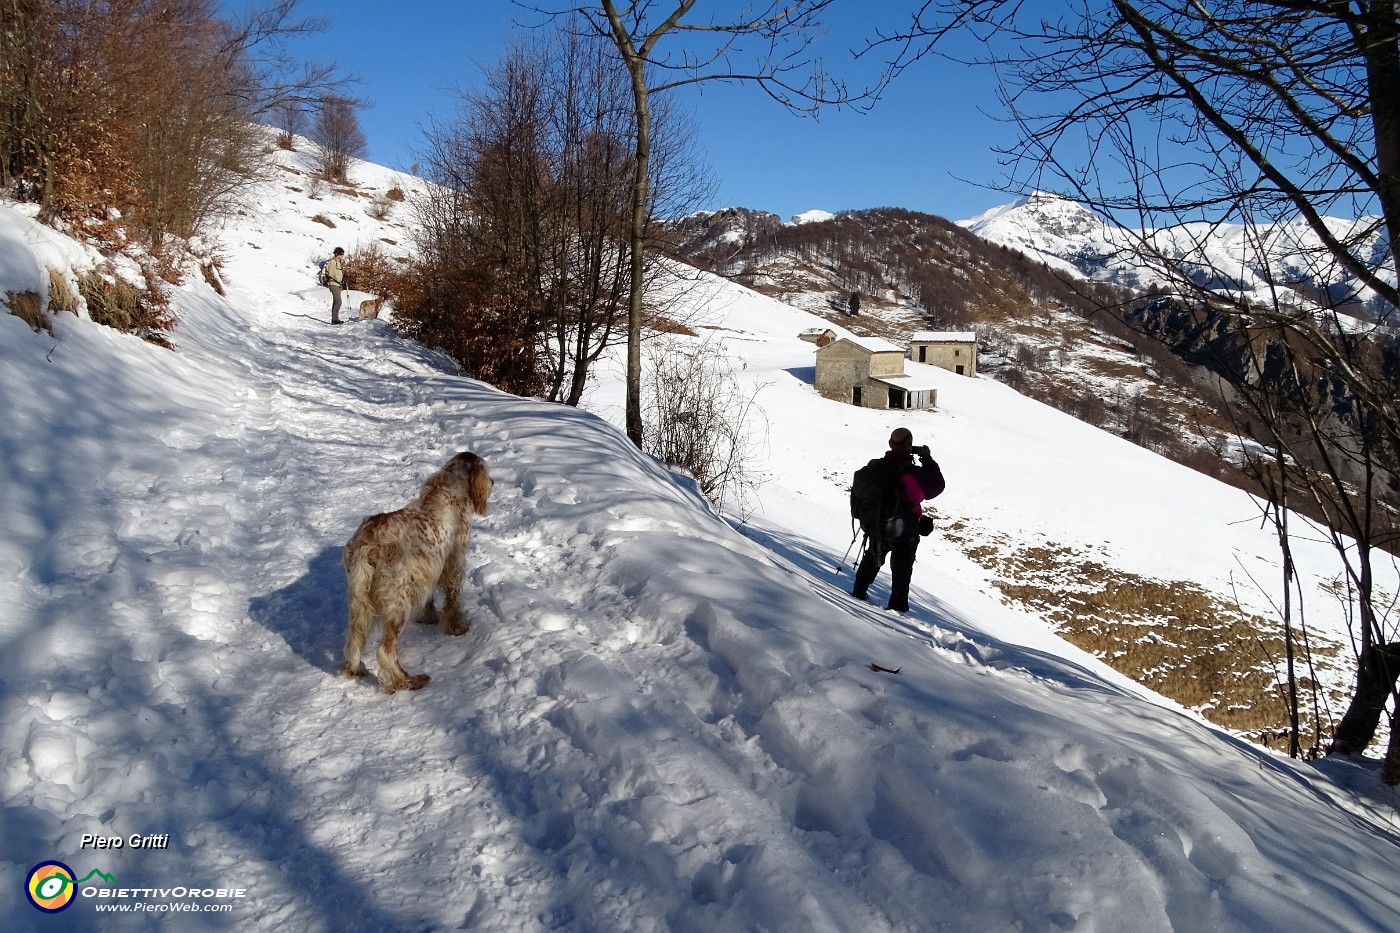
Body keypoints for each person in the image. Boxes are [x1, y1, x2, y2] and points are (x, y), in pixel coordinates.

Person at [851, 427, 945, 612]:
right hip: (905, 531)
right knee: (902, 570)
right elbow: (937, 486)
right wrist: (927, 459)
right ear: (909, 446)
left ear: (890, 445)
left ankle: (858, 592)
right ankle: (898, 608)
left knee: (872, 556)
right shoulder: (912, 475)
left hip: (877, 525)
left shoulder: (876, 468)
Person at [325, 247, 346, 324]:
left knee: (336, 301)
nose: (342, 256)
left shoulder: (338, 262)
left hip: (337, 283)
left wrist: (343, 278)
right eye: (341, 254)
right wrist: (341, 280)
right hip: (333, 283)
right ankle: (334, 320)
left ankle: (335, 319)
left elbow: (338, 273)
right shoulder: (332, 262)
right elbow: (332, 273)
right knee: (338, 301)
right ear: (336, 254)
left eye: (342, 254)